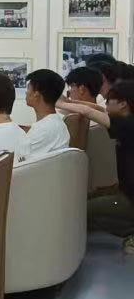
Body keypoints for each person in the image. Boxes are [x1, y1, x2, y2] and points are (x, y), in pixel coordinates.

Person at [60, 81, 134, 251]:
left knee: (80, 209)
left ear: (123, 104)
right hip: (125, 193)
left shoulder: (127, 125)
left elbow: (89, 112)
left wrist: (56, 103)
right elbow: (96, 108)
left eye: (109, 101)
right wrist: (68, 102)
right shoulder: (125, 120)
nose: (105, 104)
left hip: (130, 199)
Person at [24, 69, 70, 160]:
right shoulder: (54, 123)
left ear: (36, 93)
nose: (26, 92)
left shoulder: (43, 129)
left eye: (28, 88)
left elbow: (20, 162)